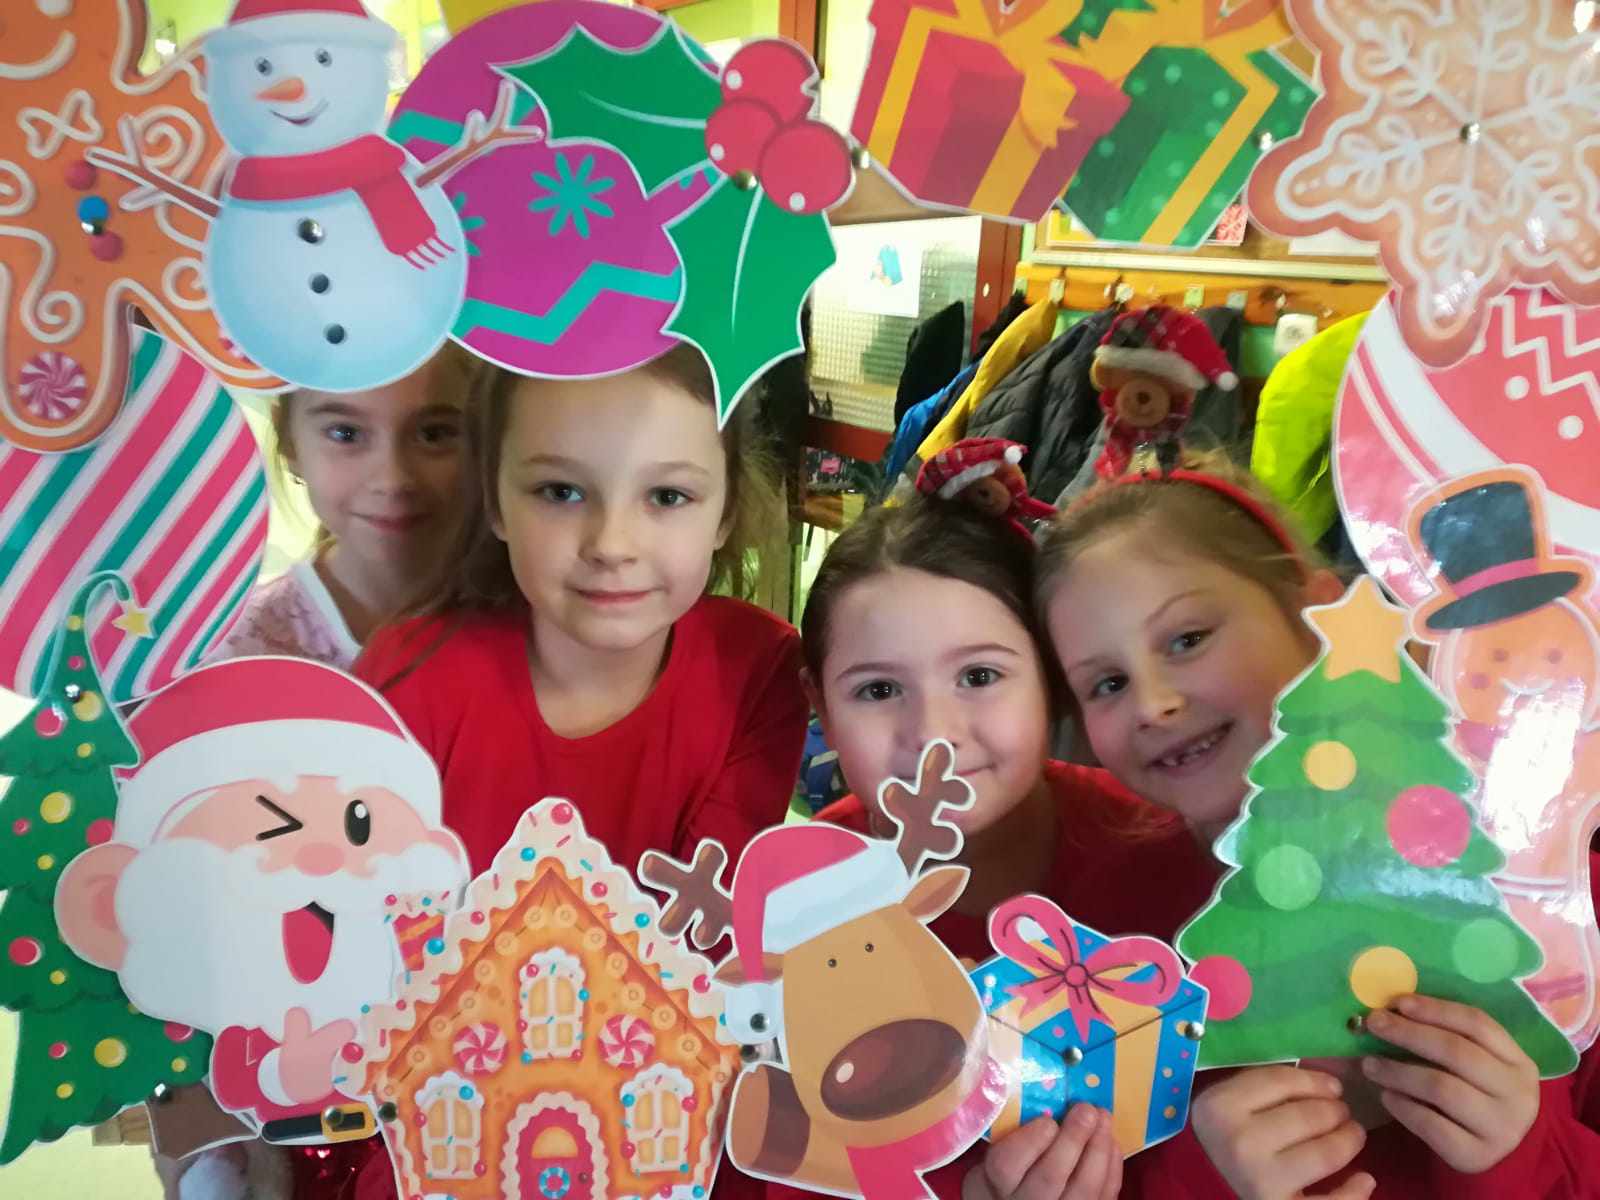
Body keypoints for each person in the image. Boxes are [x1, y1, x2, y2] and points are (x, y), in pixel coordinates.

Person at [1035, 455, 1600, 1199]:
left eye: (1188, 638)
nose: (1153, 704)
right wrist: (1205, 1179)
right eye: (1106, 683)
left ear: (1316, 614)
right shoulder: (1111, 939)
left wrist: (1520, 1151)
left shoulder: (1546, 892)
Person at [795, 489, 1215, 1200]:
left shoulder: (1174, 866)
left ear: (1051, 678)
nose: (934, 735)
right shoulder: (796, 913)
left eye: (980, 677)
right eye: (878, 691)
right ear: (821, 711)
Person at [354, 344, 807, 880]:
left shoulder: (759, 675)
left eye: (667, 496)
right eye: (561, 491)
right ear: (495, 503)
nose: (611, 545)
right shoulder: (405, 679)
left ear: (725, 514)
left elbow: (706, 916)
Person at [211, 345, 476, 668]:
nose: (392, 480)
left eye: (434, 434)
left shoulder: (523, 618)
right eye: (345, 433)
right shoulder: (238, 654)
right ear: (289, 442)